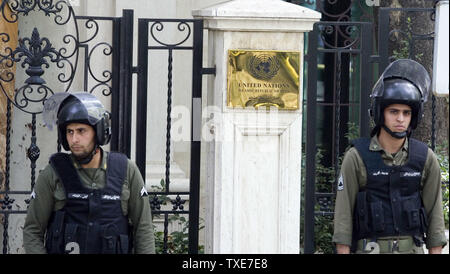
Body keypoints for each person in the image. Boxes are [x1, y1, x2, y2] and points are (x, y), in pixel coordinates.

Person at [332, 59, 447, 254]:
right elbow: (343, 219)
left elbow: (435, 216)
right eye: (393, 111)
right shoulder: (357, 157)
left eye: (406, 112)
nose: (400, 119)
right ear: (381, 113)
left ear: (413, 116)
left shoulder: (425, 158)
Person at [23, 92, 155, 254]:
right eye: (69, 132)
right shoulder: (53, 173)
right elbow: (33, 231)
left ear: (98, 132)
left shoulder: (126, 170)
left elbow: (143, 228)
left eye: (81, 131)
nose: (74, 139)